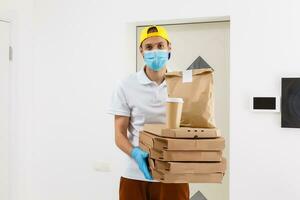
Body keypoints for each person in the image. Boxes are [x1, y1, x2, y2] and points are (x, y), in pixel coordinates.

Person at [108, 25, 189, 200]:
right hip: (135, 175)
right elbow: (119, 134)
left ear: (169, 48)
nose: (155, 51)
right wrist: (135, 154)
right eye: (149, 47)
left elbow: (193, 126)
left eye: (160, 46)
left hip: (173, 175)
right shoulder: (126, 85)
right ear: (141, 51)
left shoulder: (183, 84)